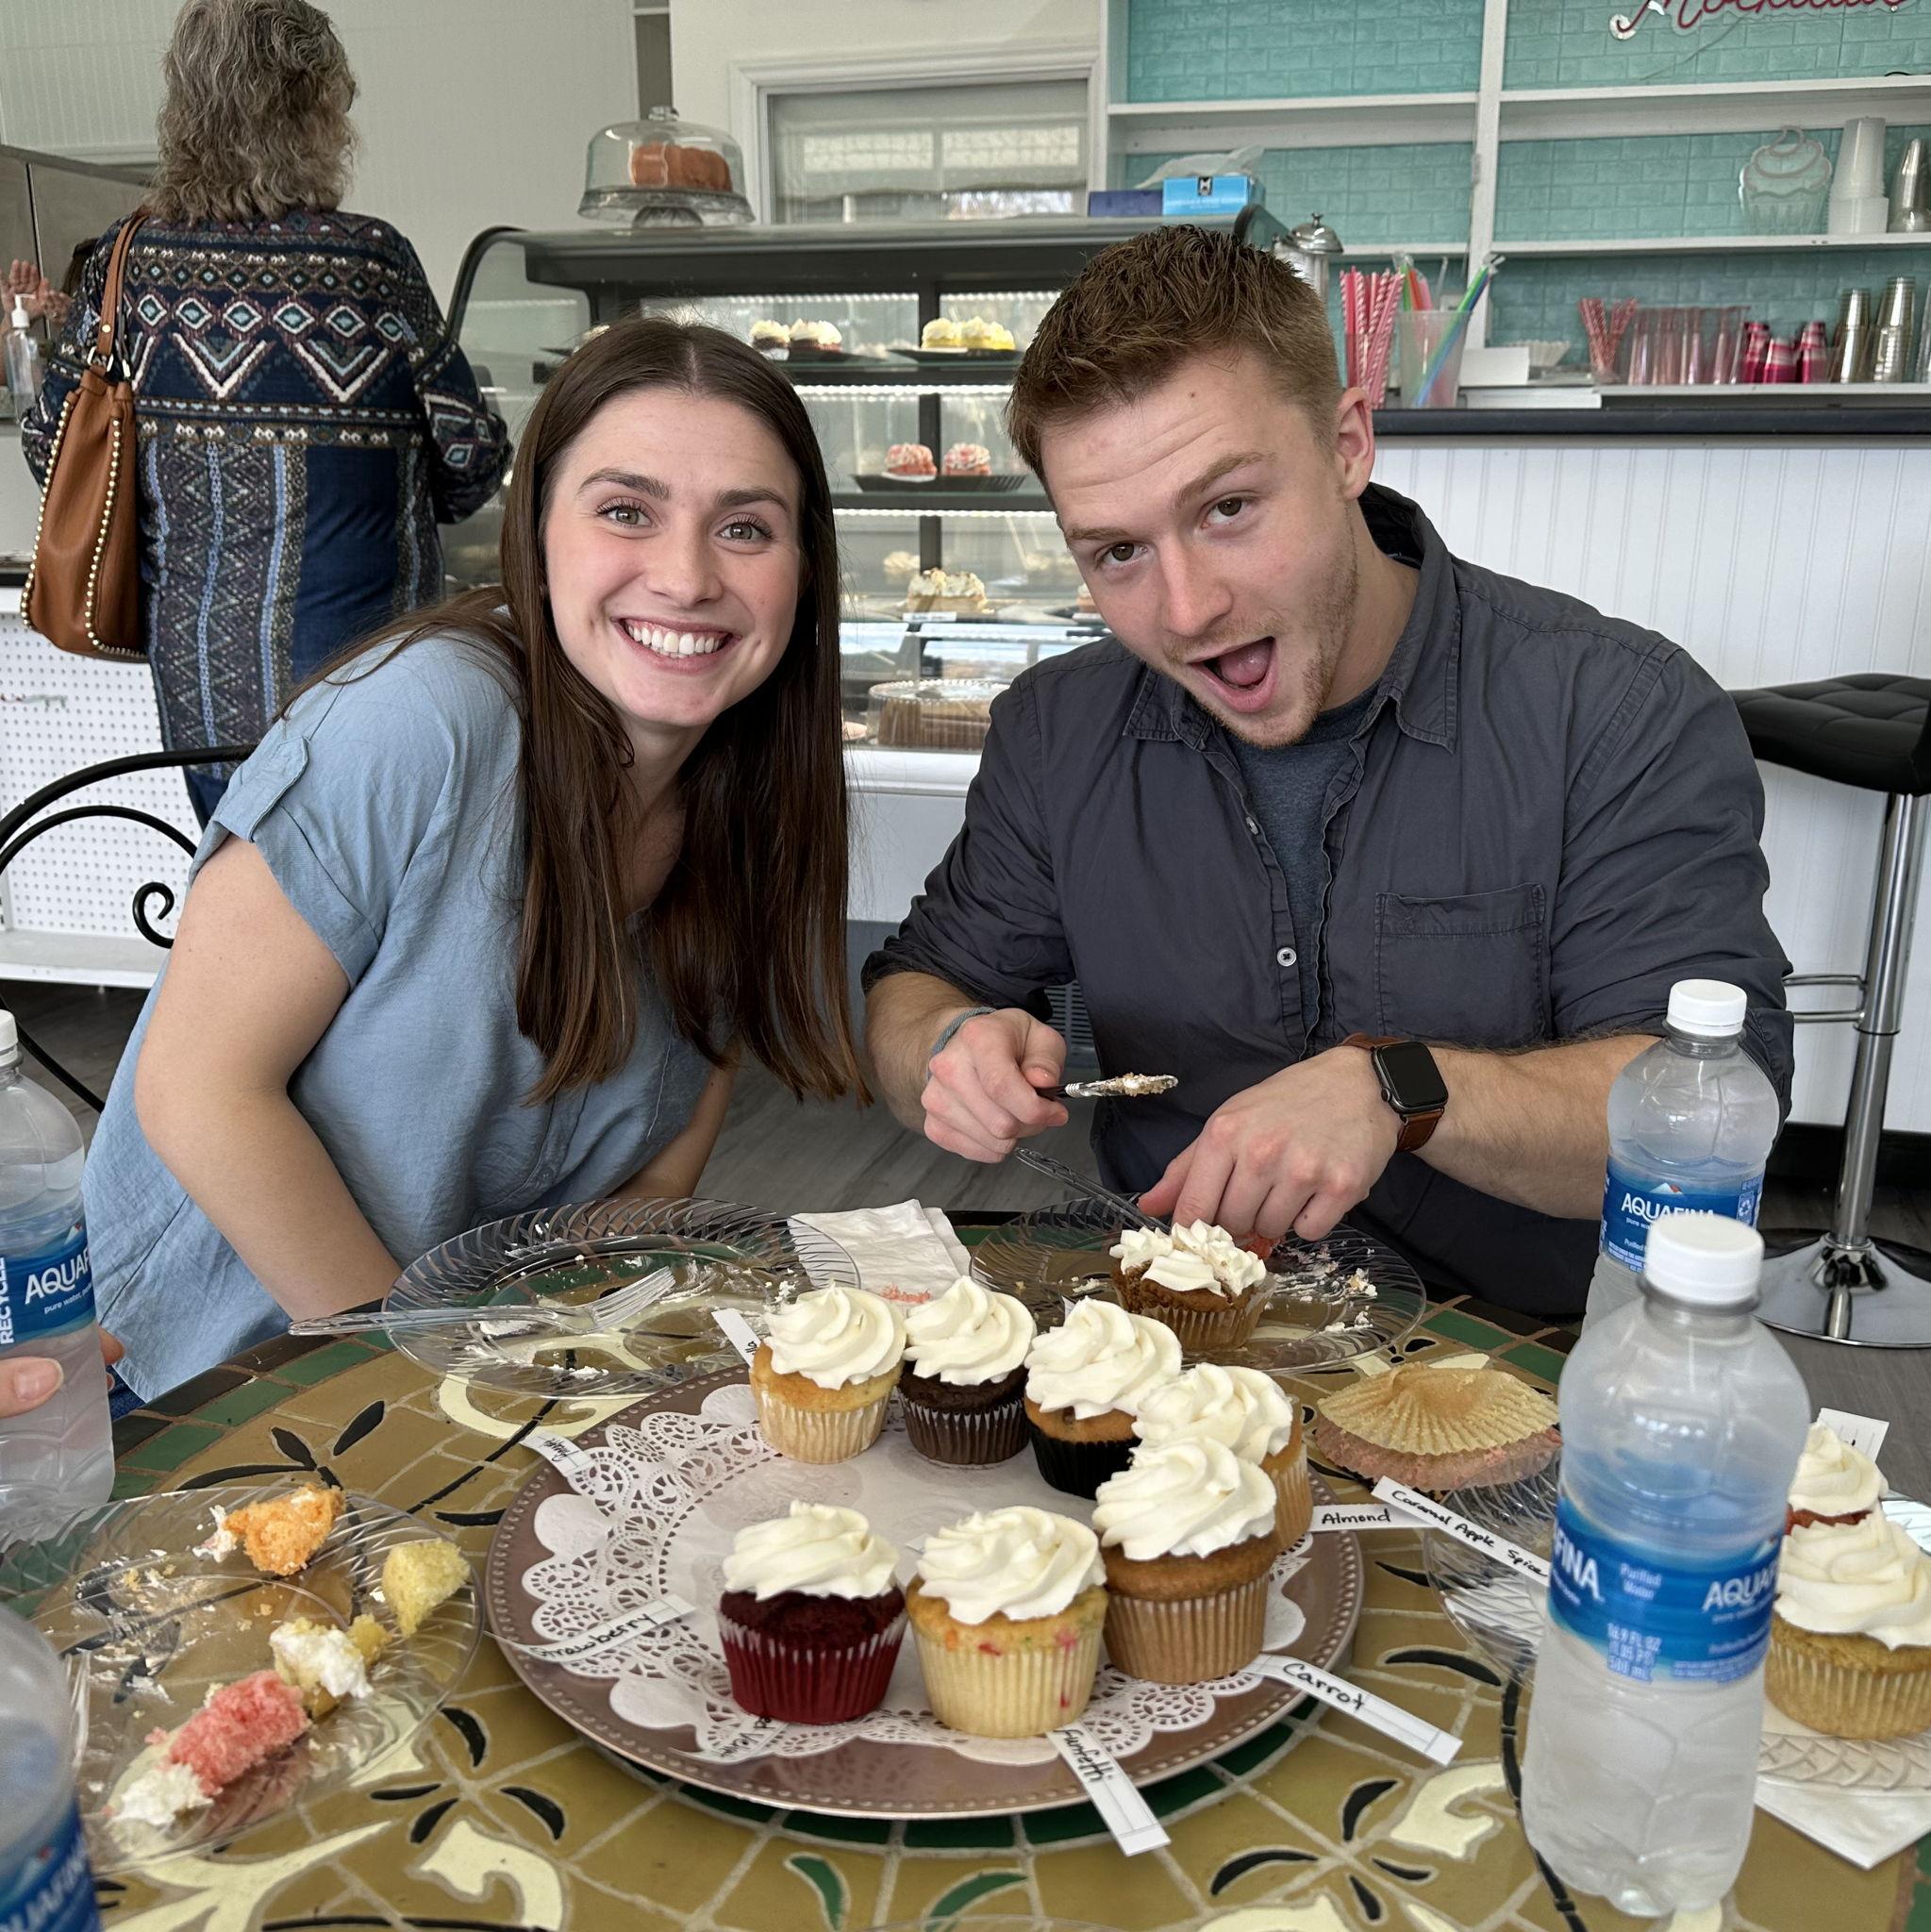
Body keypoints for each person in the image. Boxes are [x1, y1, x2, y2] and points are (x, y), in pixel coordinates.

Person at [864, 226, 1791, 1316]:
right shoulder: (1060, 730)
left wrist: (1398, 1089)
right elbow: (913, 985)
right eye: (1116, 551)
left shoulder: (1614, 710)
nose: (1186, 610)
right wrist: (947, 1044)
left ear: (1348, 443)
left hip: (1498, 1360)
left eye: (1227, 509)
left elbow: (1711, 1121)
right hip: (1167, 1343)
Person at [83, 315, 861, 1401]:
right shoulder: (426, 717)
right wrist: (429, 1381)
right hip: (203, 1381)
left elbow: (660, 1166)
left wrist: (561, 1362)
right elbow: (198, 1086)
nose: (685, 577)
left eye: (745, 528)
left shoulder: (750, 793)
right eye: (626, 512)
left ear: (804, 570)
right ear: (537, 536)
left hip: (474, 1375)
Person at [19, 0, 508, 824]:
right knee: (375, 902)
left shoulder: (125, 262)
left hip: (204, 689)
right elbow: (472, 465)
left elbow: (53, 452)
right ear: (316, 107)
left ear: (183, 111)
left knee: (241, 887)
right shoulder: (368, 262)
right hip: (371, 677)